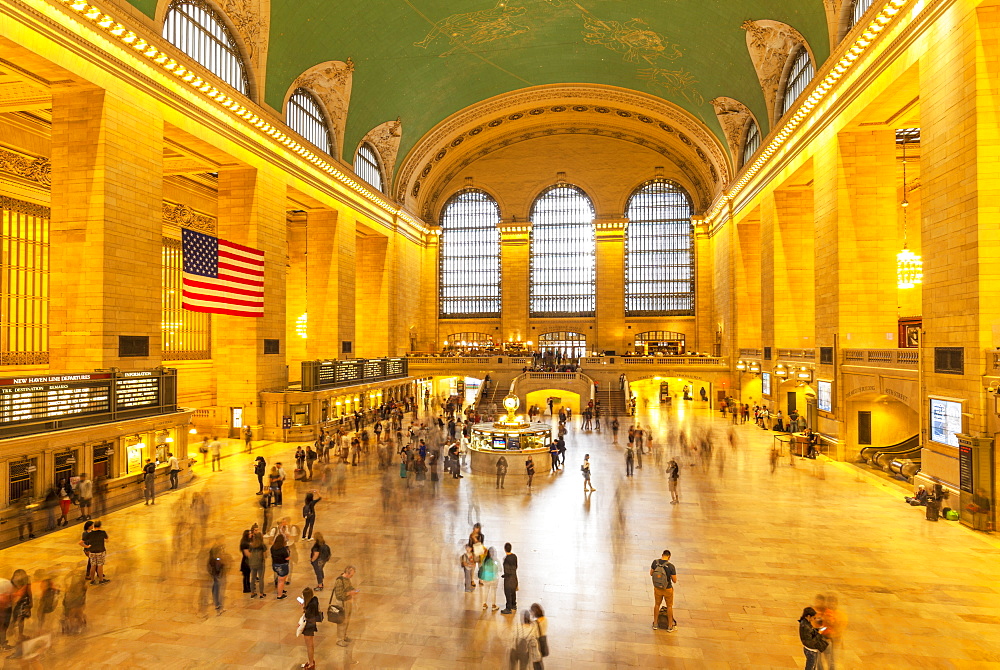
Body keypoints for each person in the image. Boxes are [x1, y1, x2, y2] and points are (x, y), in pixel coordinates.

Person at [649, 549, 677, 631]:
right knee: (669, 606)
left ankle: (655, 624)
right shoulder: (671, 566)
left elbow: (651, 573)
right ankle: (670, 626)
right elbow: (674, 580)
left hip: (657, 588)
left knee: (657, 605)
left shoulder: (655, 562)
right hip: (667, 588)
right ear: (669, 557)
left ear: (662, 555)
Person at [333, 565, 359, 647]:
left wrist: (353, 590)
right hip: (342, 603)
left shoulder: (347, 579)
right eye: (351, 575)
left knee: (346, 621)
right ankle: (339, 640)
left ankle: (344, 636)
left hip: (348, 602)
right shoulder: (339, 581)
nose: (351, 577)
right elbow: (339, 595)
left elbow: (349, 586)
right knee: (342, 622)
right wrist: (349, 593)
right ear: (347, 573)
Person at [299, 587, 321, 669]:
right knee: (311, 644)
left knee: (309, 646)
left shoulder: (309, 606)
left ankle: (311, 663)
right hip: (312, 624)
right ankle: (310, 661)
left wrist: (303, 607)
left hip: (308, 626)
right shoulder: (314, 600)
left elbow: (307, 616)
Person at [82, 520, 109, 585]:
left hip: (91, 551)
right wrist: (87, 547)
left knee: (93, 564)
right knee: (98, 565)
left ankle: (92, 579)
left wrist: (87, 547)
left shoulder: (90, 533)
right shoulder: (101, 532)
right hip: (97, 550)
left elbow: (81, 542)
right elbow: (107, 539)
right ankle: (100, 578)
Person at [207, 542, 226, 614]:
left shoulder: (212, 559)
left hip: (215, 575)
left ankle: (217, 604)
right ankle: (217, 605)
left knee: (216, 589)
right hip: (216, 575)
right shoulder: (216, 559)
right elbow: (218, 565)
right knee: (217, 590)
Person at [479, 546, 499, 610]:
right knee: (493, 591)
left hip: (486, 578)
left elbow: (482, 568)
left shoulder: (484, 559)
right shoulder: (495, 560)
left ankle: (484, 604)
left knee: (485, 591)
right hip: (493, 578)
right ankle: (493, 605)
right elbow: (499, 568)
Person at [248, 530, 267, 598]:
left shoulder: (251, 544)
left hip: (252, 563)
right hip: (260, 563)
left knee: (253, 578)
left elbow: (249, 553)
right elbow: (265, 555)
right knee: (261, 578)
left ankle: (252, 592)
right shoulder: (262, 545)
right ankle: (261, 593)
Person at [271, 534, 290, 599]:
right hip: (282, 566)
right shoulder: (283, 549)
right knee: (281, 581)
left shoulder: (272, 547)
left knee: (280, 579)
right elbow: (287, 558)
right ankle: (280, 594)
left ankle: (281, 589)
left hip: (275, 565)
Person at [501, 542, 518, 614]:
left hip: (508, 579)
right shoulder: (514, 556)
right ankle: (514, 605)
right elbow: (516, 566)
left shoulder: (506, 559)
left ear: (505, 549)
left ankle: (508, 608)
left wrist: (504, 575)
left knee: (508, 593)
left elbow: (506, 570)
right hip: (514, 577)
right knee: (513, 591)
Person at [530, 603, 548, 668]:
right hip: (543, 640)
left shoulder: (535, 623)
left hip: (537, 642)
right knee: (539, 660)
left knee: (537, 662)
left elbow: (533, 634)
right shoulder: (545, 619)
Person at [239, 529, 253, 594]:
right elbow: (247, 554)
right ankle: (246, 588)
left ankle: (248, 586)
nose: (251, 535)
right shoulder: (244, 543)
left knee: (248, 575)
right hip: (246, 562)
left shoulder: (248, 542)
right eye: (249, 534)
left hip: (248, 561)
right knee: (246, 575)